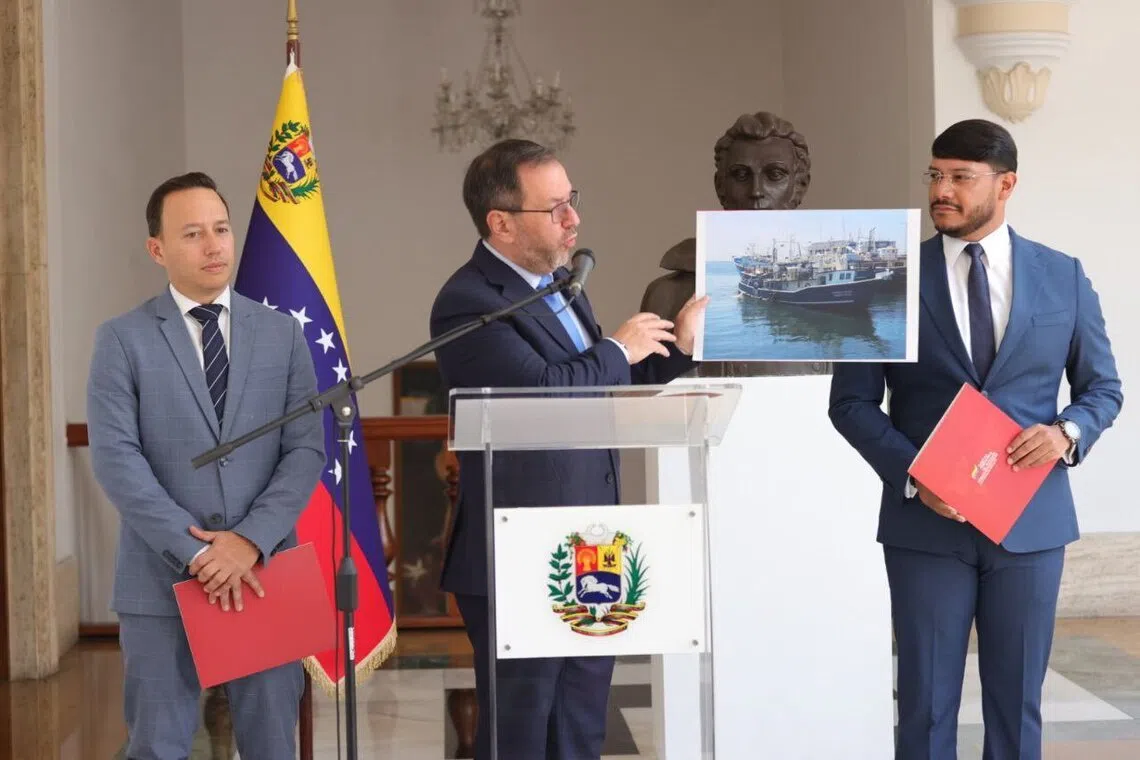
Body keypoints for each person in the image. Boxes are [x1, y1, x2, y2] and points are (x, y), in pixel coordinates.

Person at [828, 119, 1123, 760]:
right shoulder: (887, 278)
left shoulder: (1063, 276)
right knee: (924, 705)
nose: (942, 191)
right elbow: (850, 402)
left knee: (1017, 707)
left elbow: (1104, 390)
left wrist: (1066, 432)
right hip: (924, 528)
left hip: (1032, 522)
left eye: (961, 178)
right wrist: (915, 473)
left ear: (1006, 184)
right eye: (935, 175)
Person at [430, 138, 707, 759]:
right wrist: (616, 348)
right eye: (553, 208)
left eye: (571, 201)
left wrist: (677, 351)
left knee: (579, 725)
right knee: (525, 731)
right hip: (519, 549)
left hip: (593, 547)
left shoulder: (562, 284)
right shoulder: (468, 302)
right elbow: (541, 394)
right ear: (500, 223)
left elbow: (601, 386)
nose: (573, 219)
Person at [87, 171, 325, 759]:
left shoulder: (282, 335)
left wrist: (246, 541)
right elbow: (117, 459)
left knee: (272, 744)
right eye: (192, 233)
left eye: (221, 229)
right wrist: (197, 552)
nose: (214, 245)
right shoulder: (121, 340)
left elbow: (304, 450)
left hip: (262, 571)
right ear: (157, 249)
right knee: (158, 745)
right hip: (160, 580)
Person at [640, 109, 828, 377]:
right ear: (720, 187)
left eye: (774, 175)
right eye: (741, 175)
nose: (756, 192)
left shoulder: (833, 284)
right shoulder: (665, 294)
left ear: (799, 186)